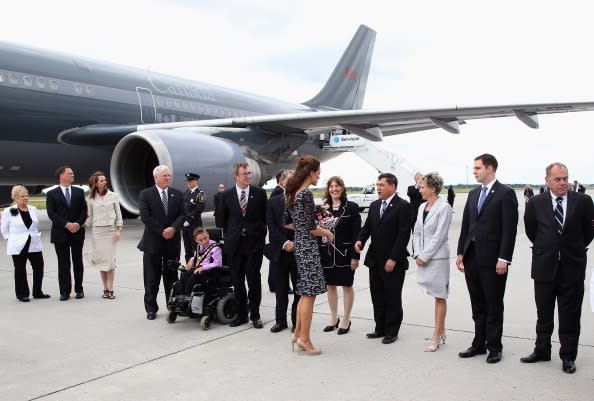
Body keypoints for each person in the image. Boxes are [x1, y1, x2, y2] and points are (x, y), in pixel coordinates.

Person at [520, 163, 594, 374]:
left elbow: (588, 232)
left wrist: (571, 250)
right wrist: (549, 249)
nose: (563, 183)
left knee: (570, 313)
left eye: (565, 178)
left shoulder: (583, 201)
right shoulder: (535, 203)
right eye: (557, 179)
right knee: (543, 312)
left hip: (572, 267)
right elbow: (531, 230)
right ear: (547, 180)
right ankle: (542, 350)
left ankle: (568, 355)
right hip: (544, 266)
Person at [456, 153, 518, 364]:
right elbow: (466, 225)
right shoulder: (473, 195)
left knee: (493, 304)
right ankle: (479, 343)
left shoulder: (505, 193)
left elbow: (509, 230)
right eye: (474, 168)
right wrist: (460, 252)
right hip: (472, 257)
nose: (474, 171)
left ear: (490, 168)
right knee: (477, 303)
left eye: (477, 168)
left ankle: (494, 346)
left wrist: (504, 259)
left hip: (494, 261)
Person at [284, 155, 333, 355]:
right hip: (308, 248)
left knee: (304, 292)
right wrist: (328, 232)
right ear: (310, 172)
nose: (319, 176)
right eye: (318, 172)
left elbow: (287, 222)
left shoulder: (293, 193)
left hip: (300, 246)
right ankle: (304, 338)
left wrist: (304, 229)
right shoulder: (305, 195)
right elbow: (311, 228)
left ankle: (297, 333)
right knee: (309, 294)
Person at [355, 173, 412, 345]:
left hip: (393, 261)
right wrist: (360, 240)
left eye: (381, 185)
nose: (378, 187)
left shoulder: (403, 206)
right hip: (375, 259)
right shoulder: (374, 205)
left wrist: (393, 258)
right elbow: (367, 228)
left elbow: (403, 235)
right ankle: (379, 328)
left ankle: (392, 331)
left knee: (392, 296)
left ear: (393, 186)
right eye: (377, 184)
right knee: (377, 295)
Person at [220, 162, 268, 329]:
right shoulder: (226, 195)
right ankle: (241, 315)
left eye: (249, 173)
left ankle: (255, 315)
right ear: (236, 176)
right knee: (238, 282)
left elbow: (265, 219)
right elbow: (223, 221)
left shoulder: (260, 194)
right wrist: (231, 237)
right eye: (245, 173)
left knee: (254, 281)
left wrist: (259, 236)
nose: (248, 176)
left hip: (254, 245)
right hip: (234, 246)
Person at [137, 165, 185, 320]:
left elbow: (183, 214)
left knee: (171, 276)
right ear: (156, 177)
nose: (167, 178)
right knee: (152, 277)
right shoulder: (146, 194)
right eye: (164, 175)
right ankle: (151, 308)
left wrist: (173, 228)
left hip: (172, 242)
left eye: (169, 175)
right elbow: (146, 216)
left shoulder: (176, 194)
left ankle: (172, 306)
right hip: (153, 242)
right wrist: (162, 231)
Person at [412, 172, 452, 351]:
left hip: (438, 258)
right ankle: (440, 331)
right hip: (423, 256)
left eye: (422, 187)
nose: (419, 190)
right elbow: (417, 232)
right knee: (433, 294)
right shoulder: (422, 207)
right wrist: (417, 253)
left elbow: (439, 235)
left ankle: (436, 335)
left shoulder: (444, 208)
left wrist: (424, 255)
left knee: (439, 296)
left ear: (432, 189)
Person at [320, 176, 361, 335]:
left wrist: (355, 257)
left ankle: (346, 318)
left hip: (345, 254)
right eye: (331, 186)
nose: (334, 189)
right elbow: (319, 233)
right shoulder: (323, 208)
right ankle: (333, 317)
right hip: (327, 254)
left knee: (347, 285)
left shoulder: (351, 207)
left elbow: (357, 234)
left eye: (337, 186)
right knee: (330, 286)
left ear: (342, 188)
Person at [1, 185, 50, 302]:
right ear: (16, 198)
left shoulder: (33, 209)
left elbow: (34, 225)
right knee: (20, 269)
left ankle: (37, 291)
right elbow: (4, 228)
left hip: (33, 242)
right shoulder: (9, 211)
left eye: (27, 195)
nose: (26, 198)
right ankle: (22, 294)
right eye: (23, 196)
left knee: (39, 267)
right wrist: (10, 239)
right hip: (18, 245)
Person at [46, 166, 88, 301]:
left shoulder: (79, 192)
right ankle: (64, 291)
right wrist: (66, 224)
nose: (73, 175)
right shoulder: (52, 194)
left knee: (78, 262)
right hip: (60, 233)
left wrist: (77, 223)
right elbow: (51, 213)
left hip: (77, 232)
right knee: (63, 263)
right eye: (70, 173)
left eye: (72, 173)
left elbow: (84, 210)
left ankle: (79, 289)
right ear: (61, 175)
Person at [265, 169, 300, 333]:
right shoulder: (273, 202)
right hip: (280, 251)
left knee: (299, 289)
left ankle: (296, 321)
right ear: (283, 182)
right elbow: (271, 227)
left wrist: (295, 242)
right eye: (290, 179)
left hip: (298, 251)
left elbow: (308, 225)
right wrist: (285, 242)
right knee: (281, 289)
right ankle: (280, 321)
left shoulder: (302, 199)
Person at [85, 171, 123, 299]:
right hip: (97, 232)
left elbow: (118, 214)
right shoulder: (90, 199)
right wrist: (81, 226)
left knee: (110, 262)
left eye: (105, 180)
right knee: (102, 262)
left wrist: (119, 229)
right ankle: (105, 288)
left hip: (110, 231)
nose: (104, 182)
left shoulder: (113, 196)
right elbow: (90, 216)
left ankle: (111, 289)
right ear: (95, 183)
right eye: (101, 180)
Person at [171, 227, 223, 298]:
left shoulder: (215, 248)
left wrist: (203, 268)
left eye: (205, 238)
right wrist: (191, 260)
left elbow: (218, 263)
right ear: (196, 240)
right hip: (198, 268)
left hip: (210, 270)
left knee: (193, 277)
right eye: (201, 240)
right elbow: (197, 256)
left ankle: (187, 296)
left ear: (208, 235)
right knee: (184, 275)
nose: (204, 241)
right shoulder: (199, 246)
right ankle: (180, 295)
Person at [181, 173, 205, 262]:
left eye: (190, 181)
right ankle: (189, 270)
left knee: (197, 249)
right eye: (187, 181)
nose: (188, 183)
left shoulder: (200, 194)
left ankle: (197, 268)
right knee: (187, 250)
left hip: (195, 226)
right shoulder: (186, 193)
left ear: (195, 181)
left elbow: (198, 210)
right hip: (185, 227)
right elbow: (182, 208)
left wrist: (188, 220)